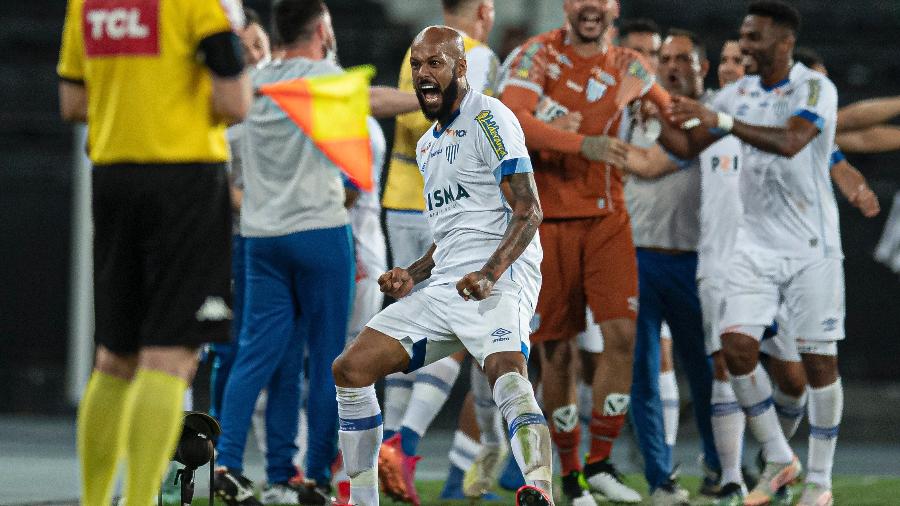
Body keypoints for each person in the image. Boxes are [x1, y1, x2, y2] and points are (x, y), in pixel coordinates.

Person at [332, 25, 554, 506]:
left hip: (501, 278)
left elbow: (529, 209)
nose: (423, 73)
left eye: (435, 63)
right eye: (416, 64)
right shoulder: (429, 144)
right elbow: (450, 236)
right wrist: (412, 273)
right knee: (350, 369)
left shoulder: (490, 117)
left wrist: (489, 273)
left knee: (507, 373)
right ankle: (362, 500)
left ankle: (540, 488)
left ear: (460, 68)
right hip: (446, 288)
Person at [212, 2, 418, 504]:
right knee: (333, 359)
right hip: (321, 234)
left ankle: (234, 466)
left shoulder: (253, 82)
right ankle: (320, 478)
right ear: (322, 30)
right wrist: (429, 96)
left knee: (256, 357)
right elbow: (372, 99)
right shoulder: (323, 78)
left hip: (260, 239)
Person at [57, 0, 250, 504]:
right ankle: (142, 500)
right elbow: (235, 103)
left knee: (115, 354)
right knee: (170, 356)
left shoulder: (87, 5)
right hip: (184, 180)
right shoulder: (197, 6)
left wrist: (134, 103)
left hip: (114, 177)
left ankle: (95, 500)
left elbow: (73, 104)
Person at [499, 0, 678, 503]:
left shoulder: (630, 66)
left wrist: (683, 113)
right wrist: (585, 144)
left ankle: (600, 461)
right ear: (567, 7)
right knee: (558, 351)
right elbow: (515, 119)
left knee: (623, 335)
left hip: (608, 216)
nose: (591, 8)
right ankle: (572, 474)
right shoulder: (535, 56)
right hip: (549, 218)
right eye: (581, 0)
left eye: (600, 0)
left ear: (613, 8)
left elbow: (672, 115)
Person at [668, 2, 847, 505]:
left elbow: (791, 142)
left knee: (818, 362)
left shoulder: (814, 87)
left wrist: (721, 117)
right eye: (743, 36)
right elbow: (687, 146)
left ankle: (820, 481)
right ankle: (779, 456)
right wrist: (659, 104)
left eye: (755, 37)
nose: (744, 45)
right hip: (753, 246)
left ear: (784, 42)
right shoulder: (738, 92)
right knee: (735, 347)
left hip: (811, 246)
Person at [376, 1, 505, 503]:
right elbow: (474, 127)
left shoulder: (415, 54)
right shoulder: (474, 57)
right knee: (457, 332)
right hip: (446, 207)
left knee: (410, 329)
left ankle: (397, 452)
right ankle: (403, 445)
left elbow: (408, 120)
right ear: (480, 11)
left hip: (398, 197)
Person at [623, 29, 721, 504]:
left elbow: (654, 164)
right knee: (641, 371)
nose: (673, 65)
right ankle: (660, 478)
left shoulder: (713, 116)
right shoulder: (632, 115)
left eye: (684, 57)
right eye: (666, 58)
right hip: (638, 256)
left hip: (695, 260)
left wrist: (626, 149)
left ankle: (720, 465)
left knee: (706, 372)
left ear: (703, 66)